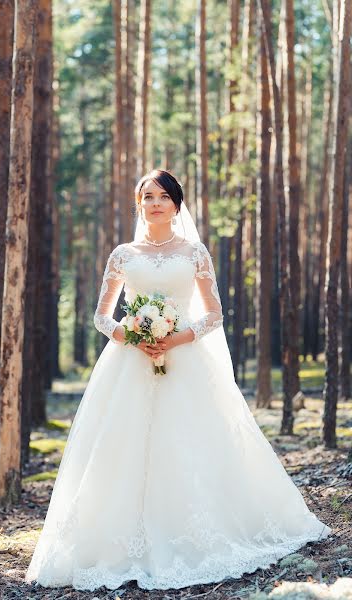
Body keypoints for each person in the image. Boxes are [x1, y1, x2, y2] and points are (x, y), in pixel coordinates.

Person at [25, 169, 331, 592]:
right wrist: (135, 338)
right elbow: (101, 316)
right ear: (139, 204)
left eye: (164, 196)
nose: (155, 204)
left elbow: (213, 312)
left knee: (190, 443)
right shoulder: (123, 254)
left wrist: (176, 337)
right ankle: (116, 543)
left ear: (177, 203)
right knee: (122, 447)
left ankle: (194, 531)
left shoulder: (194, 252)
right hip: (129, 362)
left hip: (186, 358)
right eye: (148, 196)